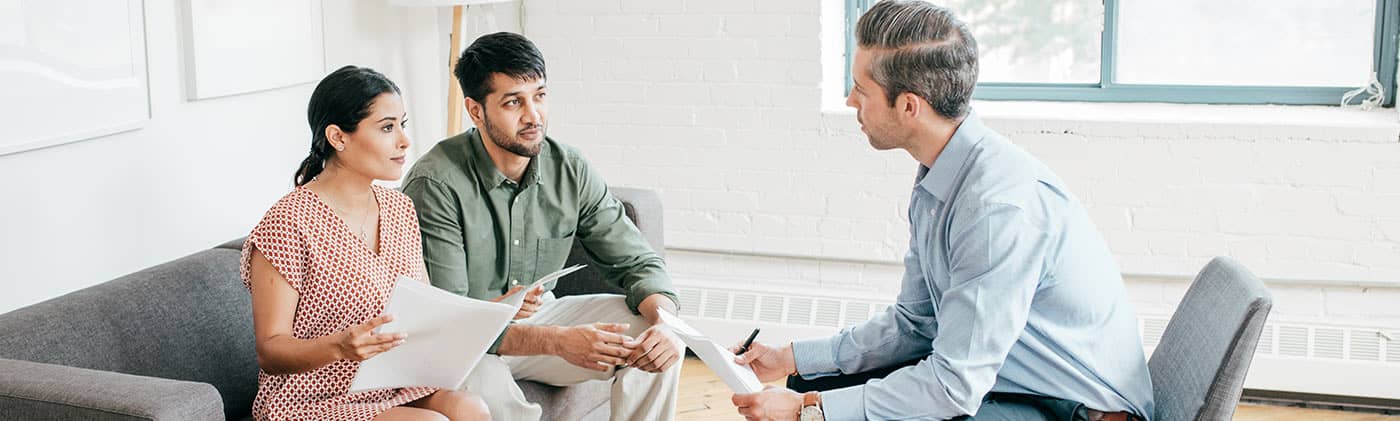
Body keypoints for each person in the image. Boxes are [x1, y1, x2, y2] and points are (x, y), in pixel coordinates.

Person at [727, 2, 1155, 420]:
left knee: (822, 408)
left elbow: (952, 386)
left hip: (1078, 410)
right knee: (811, 383)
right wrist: (791, 359)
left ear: (909, 106)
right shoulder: (941, 176)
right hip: (1010, 381)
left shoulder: (995, 210)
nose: (849, 100)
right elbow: (915, 324)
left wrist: (812, 412)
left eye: (861, 89)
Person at [401, 32, 683, 421]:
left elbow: (639, 263)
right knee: (483, 387)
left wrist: (665, 325)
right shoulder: (436, 183)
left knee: (656, 337)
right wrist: (558, 342)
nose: (533, 115)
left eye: (540, 95)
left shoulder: (569, 168)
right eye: (514, 102)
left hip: (539, 318)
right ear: (476, 110)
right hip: (467, 342)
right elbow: (452, 324)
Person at [242, 65, 490, 421]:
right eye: (387, 127)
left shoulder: (399, 207)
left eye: (402, 125)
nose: (404, 141)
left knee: (471, 409)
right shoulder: (287, 222)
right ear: (338, 137)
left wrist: (485, 315)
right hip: (310, 400)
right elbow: (270, 349)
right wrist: (339, 347)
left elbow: (424, 307)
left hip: (392, 385)